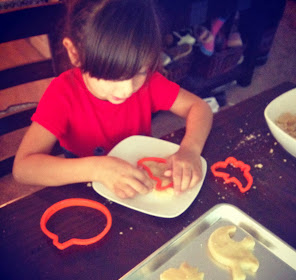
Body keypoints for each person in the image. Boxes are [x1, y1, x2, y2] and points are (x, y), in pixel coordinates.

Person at [13, 0, 213, 199]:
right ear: (75, 53)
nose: (127, 89)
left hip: (139, 184)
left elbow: (199, 107)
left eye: (140, 72)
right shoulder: (63, 94)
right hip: (87, 190)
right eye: (111, 76)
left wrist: (190, 150)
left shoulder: (149, 83)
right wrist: (98, 169)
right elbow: (23, 168)